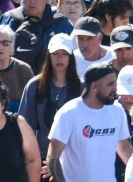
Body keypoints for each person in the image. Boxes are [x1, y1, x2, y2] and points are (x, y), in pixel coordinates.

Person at [46, 63, 132, 182]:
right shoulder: (69, 112)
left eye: (115, 84)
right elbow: (53, 157)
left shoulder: (117, 110)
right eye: (110, 84)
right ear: (94, 86)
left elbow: (124, 147)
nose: (115, 89)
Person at [17, 34, 82, 170]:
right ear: (49, 56)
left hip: (74, 159)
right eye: (55, 54)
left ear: (71, 57)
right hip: (41, 159)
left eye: (64, 54)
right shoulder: (34, 86)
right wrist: (33, 159)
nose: (59, 58)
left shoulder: (82, 87)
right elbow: (26, 127)